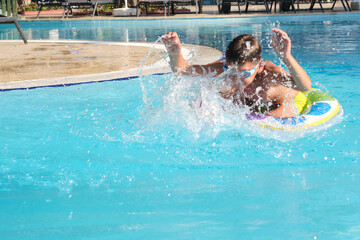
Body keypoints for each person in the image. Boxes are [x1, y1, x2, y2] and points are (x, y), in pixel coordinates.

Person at [161, 29, 312, 118]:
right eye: (230, 71)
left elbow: (305, 87)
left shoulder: (269, 73)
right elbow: (184, 71)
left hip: (286, 103)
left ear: (258, 67)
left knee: (277, 115)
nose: (234, 78)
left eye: (243, 74)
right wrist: (175, 54)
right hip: (252, 103)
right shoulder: (228, 68)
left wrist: (287, 57)